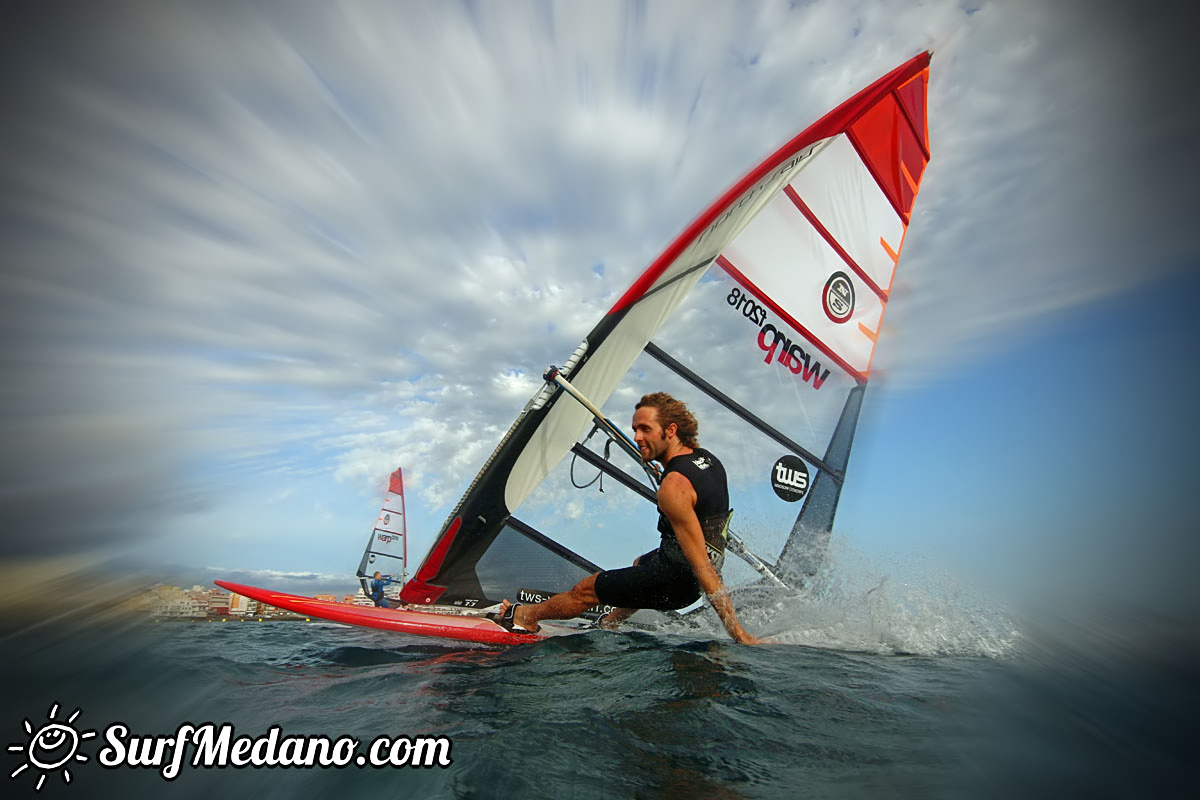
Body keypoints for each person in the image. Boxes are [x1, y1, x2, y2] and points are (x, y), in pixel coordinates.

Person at [492, 392, 760, 644]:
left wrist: (738, 634)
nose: (637, 437)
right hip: (683, 566)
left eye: (646, 429)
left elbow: (702, 566)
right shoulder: (706, 459)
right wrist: (666, 468)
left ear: (671, 430)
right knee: (639, 564)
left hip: (677, 580)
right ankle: (609, 623)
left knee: (588, 589)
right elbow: (694, 493)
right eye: (635, 429)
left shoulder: (674, 487)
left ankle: (525, 616)